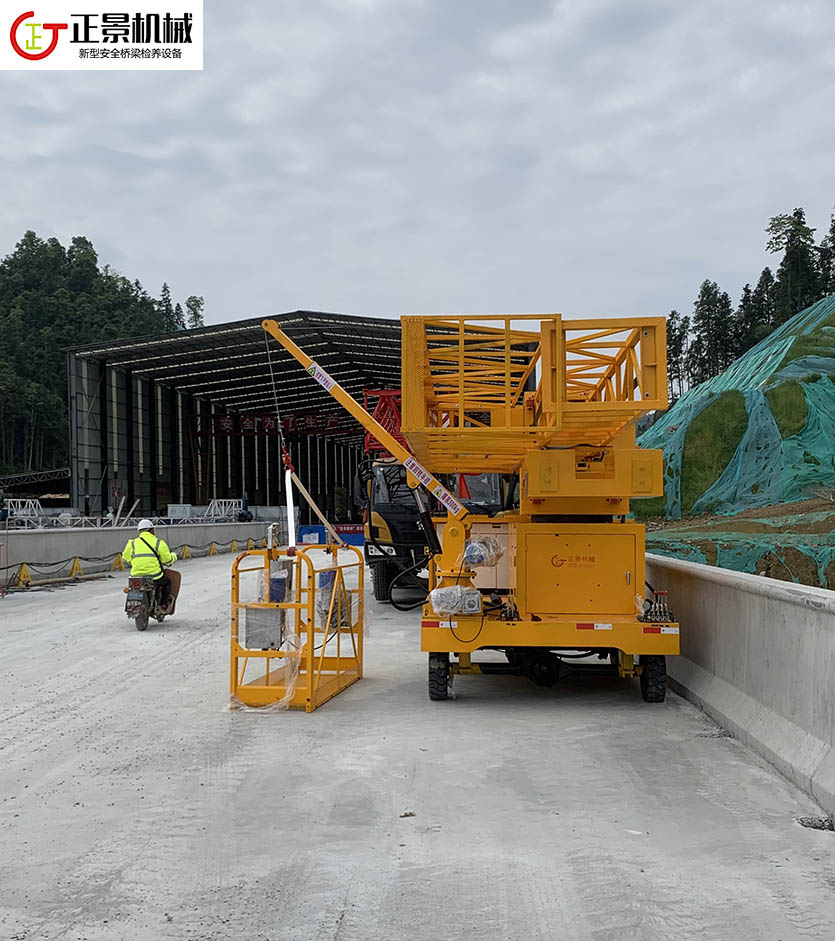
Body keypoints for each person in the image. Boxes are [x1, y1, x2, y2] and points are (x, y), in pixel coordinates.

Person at [122, 519, 177, 608]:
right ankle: (163, 604)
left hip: (136, 576)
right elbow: (167, 559)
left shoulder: (132, 543)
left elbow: (125, 558)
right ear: (152, 530)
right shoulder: (158, 542)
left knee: (133, 588)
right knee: (167, 583)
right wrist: (174, 557)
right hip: (155, 576)